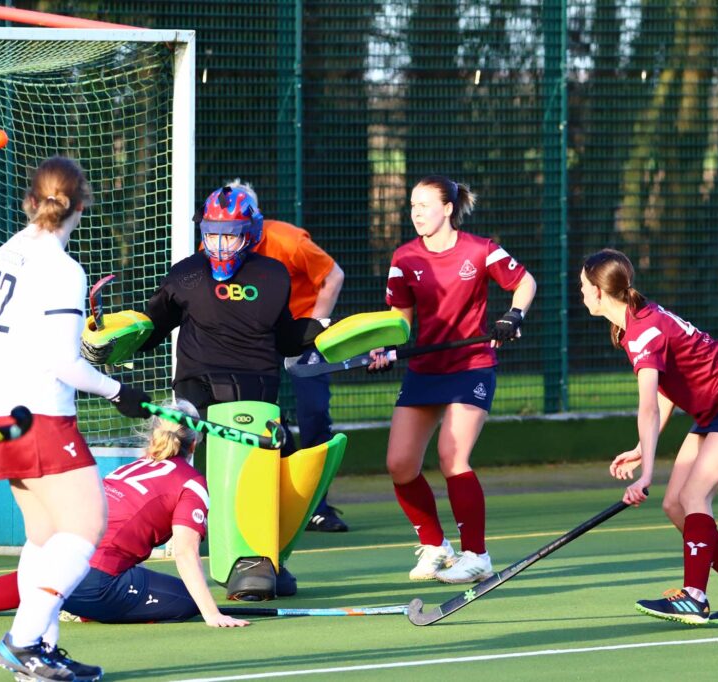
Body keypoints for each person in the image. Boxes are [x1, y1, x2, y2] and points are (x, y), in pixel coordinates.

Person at [0, 156, 149, 682]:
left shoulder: (10, 248)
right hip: (42, 415)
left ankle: (41, 651)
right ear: (81, 205)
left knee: (45, 535)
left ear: (31, 200)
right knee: (87, 525)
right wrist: (119, 391)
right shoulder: (65, 270)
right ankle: (23, 642)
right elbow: (65, 365)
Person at [135, 184, 329, 598]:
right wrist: (111, 341)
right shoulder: (185, 274)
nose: (221, 244)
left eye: (231, 235)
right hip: (197, 384)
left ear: (251, 233)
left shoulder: (273, 275)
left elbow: (285, 338)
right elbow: (151, 328)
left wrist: (321, 332)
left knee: (275, 470)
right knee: (171, 444)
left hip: (255, 389)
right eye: (213, 234)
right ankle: (137, 542)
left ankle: (265, 556)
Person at [0, 400, 249, 629]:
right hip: (99, 583)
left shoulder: (132, 467)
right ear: (194, 444)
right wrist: (211, 613)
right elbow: (185, 553)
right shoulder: (192, 483)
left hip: (58, 553)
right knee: (186, 601)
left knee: (39, 577)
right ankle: (83, 608)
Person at [580, 248, 718, 626]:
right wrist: (642, 448)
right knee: (675, 505)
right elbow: (665, 392)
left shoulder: (642, 332)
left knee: (694, 496)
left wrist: (646, 475)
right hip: (715, 408)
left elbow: (648, 408)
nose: (582, 293)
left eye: (583, 287)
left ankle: (694, 597)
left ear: (599, 291)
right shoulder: (634, 323)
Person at [368, 175, 536, 584]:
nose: (416, 213)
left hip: (471, 365)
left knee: (452, 457)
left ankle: (477, 556)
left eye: (424, 205)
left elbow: (525, 282)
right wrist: (385, 347)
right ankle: (436, 546)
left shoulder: (480, 250)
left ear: (447, 209)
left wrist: (513, 316)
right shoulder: (404, 257)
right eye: (412, 205)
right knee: (399, 464)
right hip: (426, 368)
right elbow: (399, 318)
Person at [224, 180, 348, 533]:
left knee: (314, 413)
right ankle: (290, 497)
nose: (229, 232)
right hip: (258, 336)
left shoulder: (288, 240)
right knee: (264, 414)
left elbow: (333, 276)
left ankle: (318, 506)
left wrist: (314, 326)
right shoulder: (218, 245)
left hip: (302, 332)